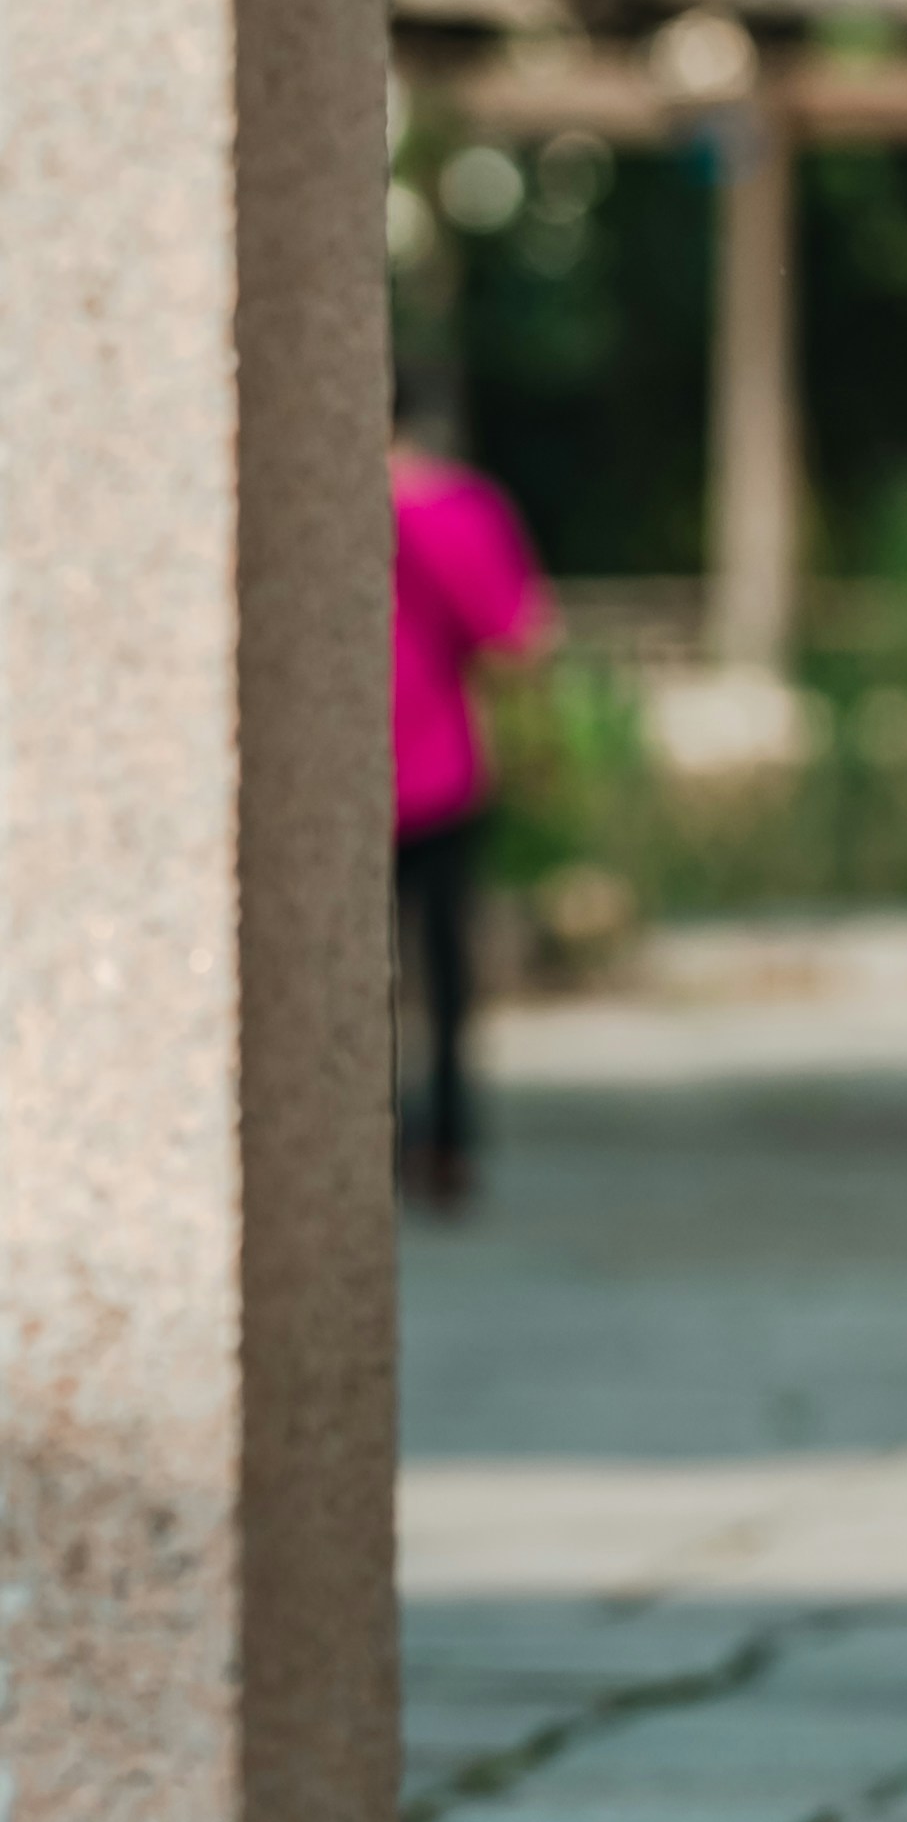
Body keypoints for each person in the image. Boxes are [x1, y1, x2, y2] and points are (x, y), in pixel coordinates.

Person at [391, 394, 554, 1212]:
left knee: (343, 970)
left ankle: (366, 1133)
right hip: (441, 768)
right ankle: (449, 1139)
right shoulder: (465, 508)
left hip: (332, 781)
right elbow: (518, 637)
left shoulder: (300, 497)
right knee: (447, 967)